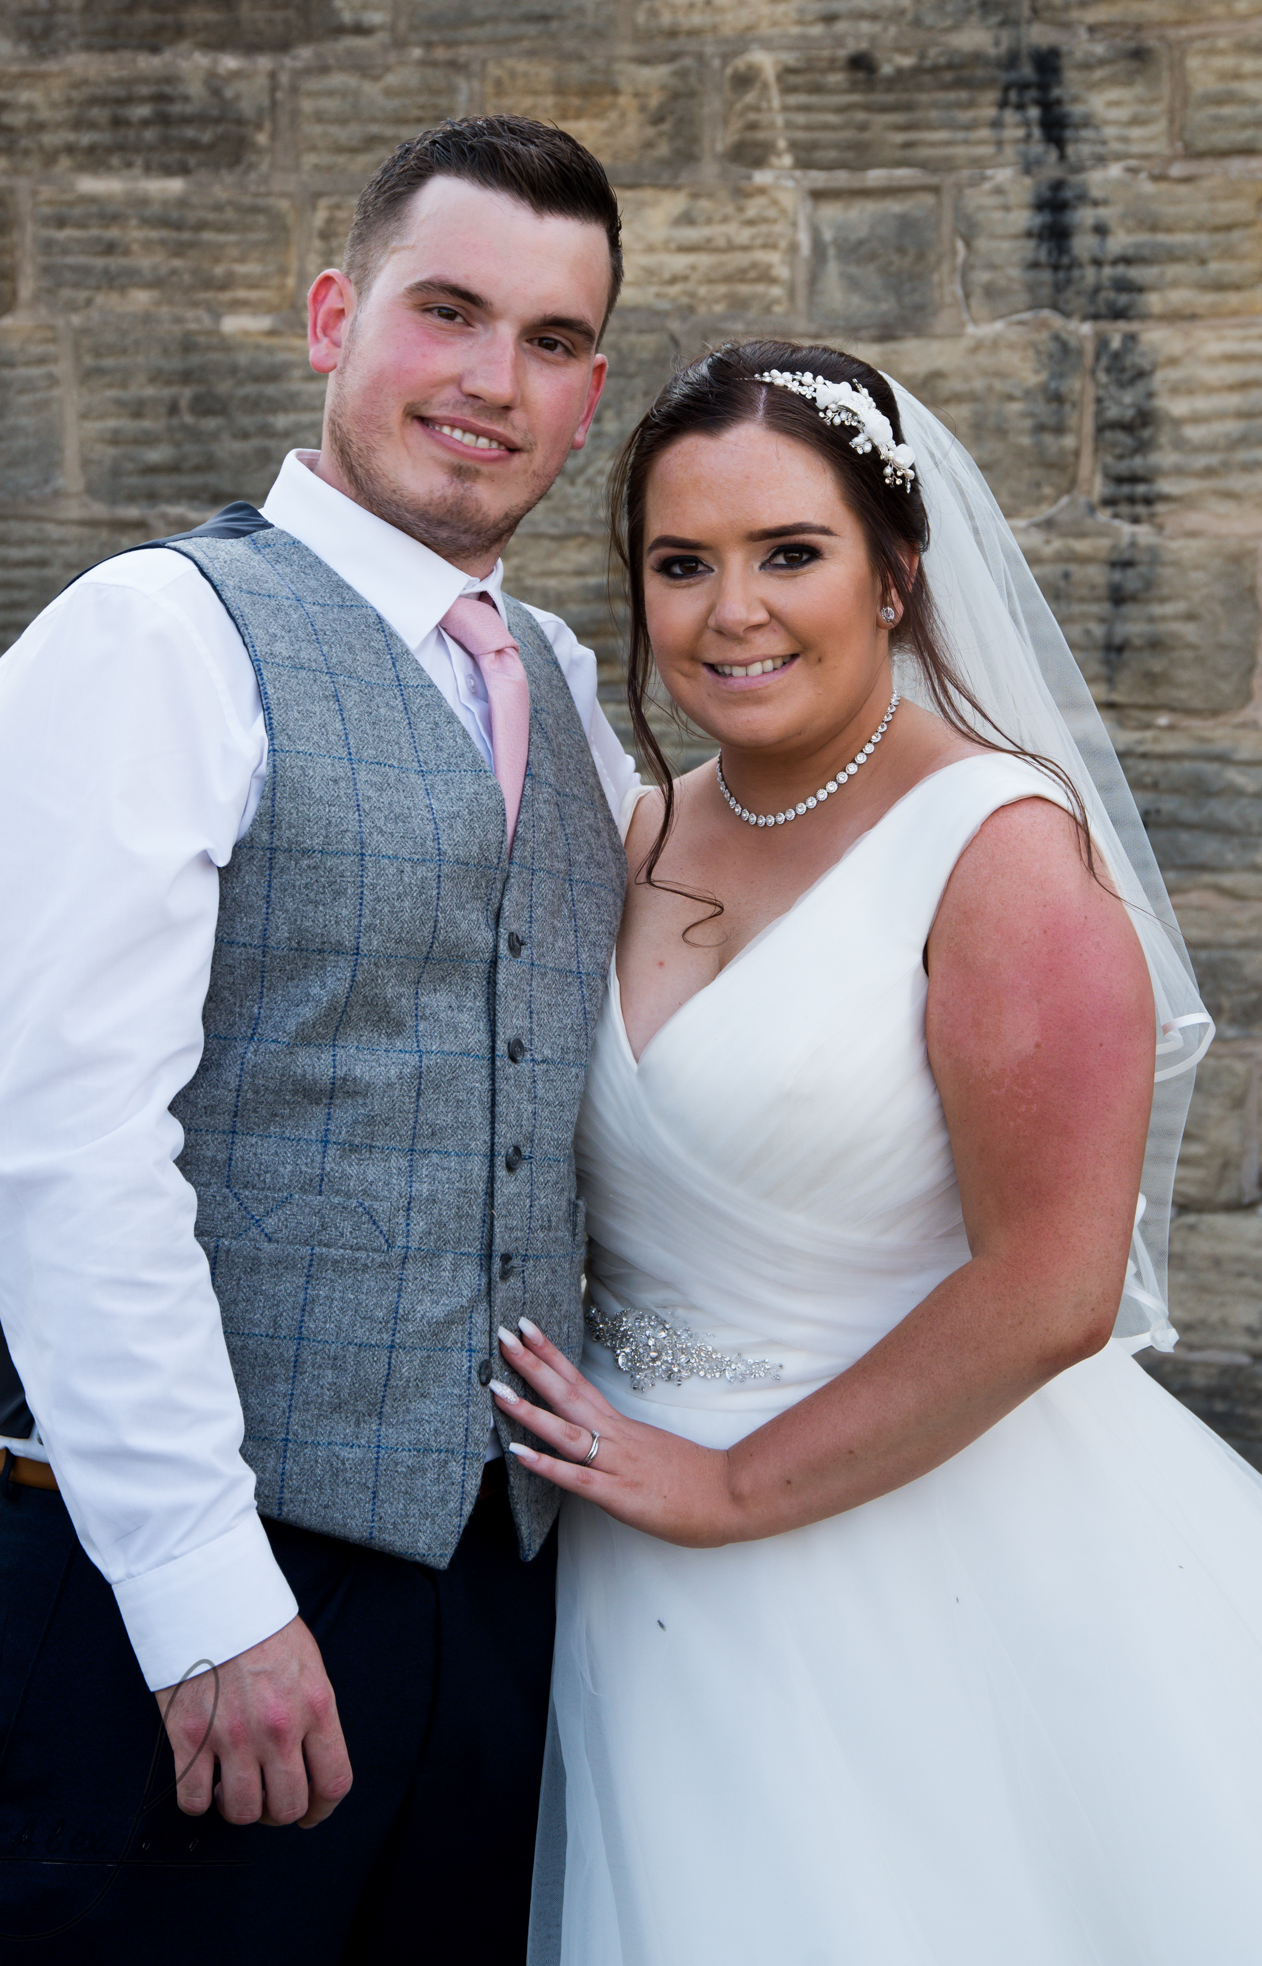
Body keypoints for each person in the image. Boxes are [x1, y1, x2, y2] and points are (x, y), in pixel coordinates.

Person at [0, 117, 639, 1964]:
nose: (496, 382)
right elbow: (68, 1147)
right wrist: (203, 1601)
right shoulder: (154, 640)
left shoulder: (570, 691)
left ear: (589, 397)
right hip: (180, 1592)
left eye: (555, 343)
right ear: (335, 314)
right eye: (449, 312)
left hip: (493, 1599)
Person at [497, 342, 1262, 1964]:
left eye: (792, 554)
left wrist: (727, 1486)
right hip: (627, 1565)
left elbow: (1055, 1286)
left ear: (897, 574)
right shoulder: (629, 834)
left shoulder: (999, 852)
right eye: (681, 564)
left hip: (902, 1551)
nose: (732, 612)